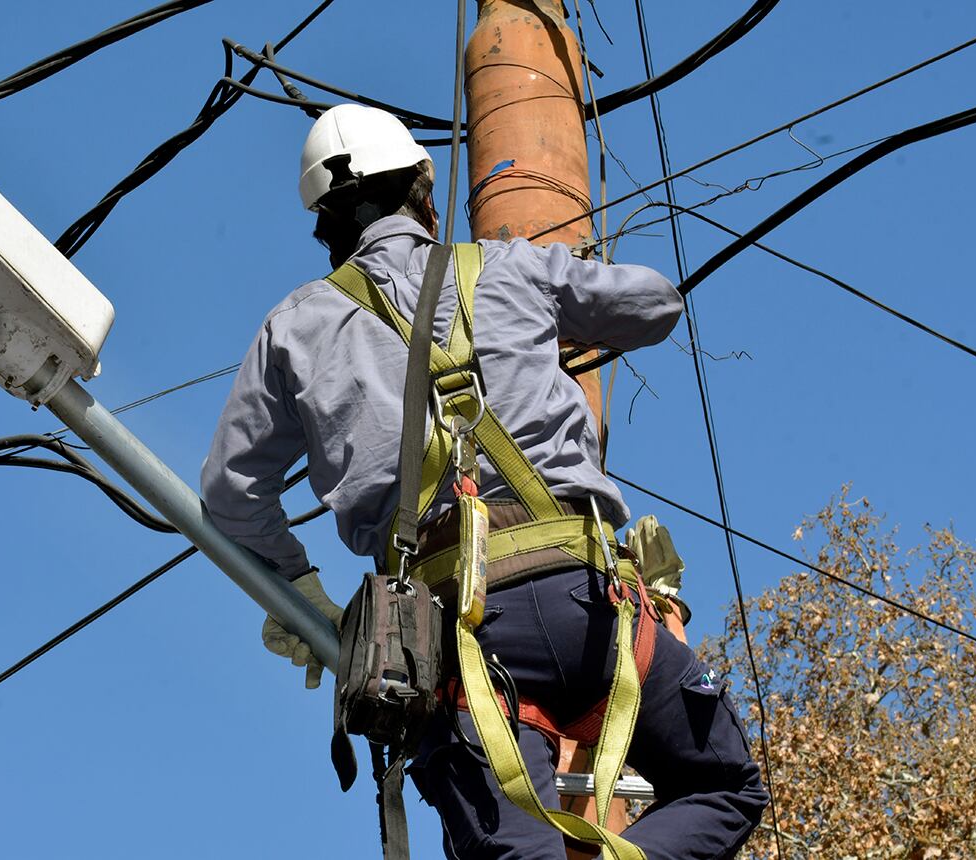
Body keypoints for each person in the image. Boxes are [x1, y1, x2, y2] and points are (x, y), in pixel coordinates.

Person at [200, 104, 769, 860]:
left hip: (452, 636)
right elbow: (655, 303)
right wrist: (541, 301)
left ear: (326, 231)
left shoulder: (295, 328)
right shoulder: (509, 267)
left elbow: (229, 493)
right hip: (589, 604)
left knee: (517, 852)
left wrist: (300, 590)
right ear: (425, 200)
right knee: (727, 786)